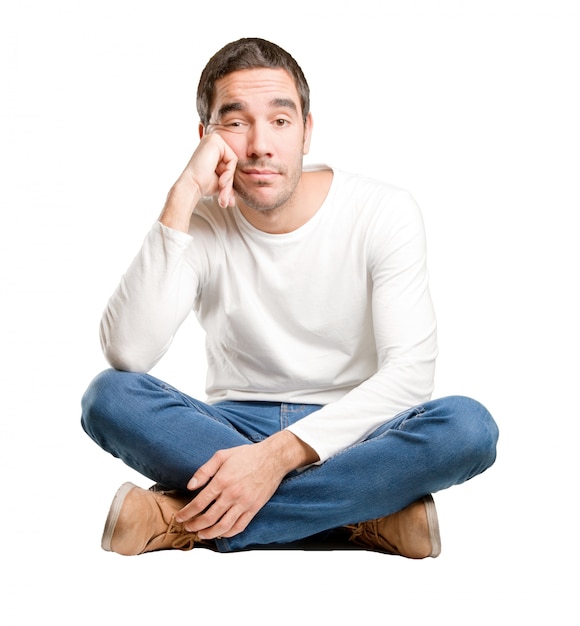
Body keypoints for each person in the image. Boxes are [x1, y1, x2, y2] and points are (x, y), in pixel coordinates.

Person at [81, 37, 499, 559]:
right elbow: (128, 353)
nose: (259, 144)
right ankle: (361, 516)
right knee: (108, 398)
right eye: (235, 123)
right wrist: (183, 195)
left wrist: (275, 459)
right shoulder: (203, 220)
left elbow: (410, 373)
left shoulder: (383, 211)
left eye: (280, 121)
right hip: (229, 428)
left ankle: (185, 521)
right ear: (205, 137)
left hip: (356, 432)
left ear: (306, 131)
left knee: (468, 428)